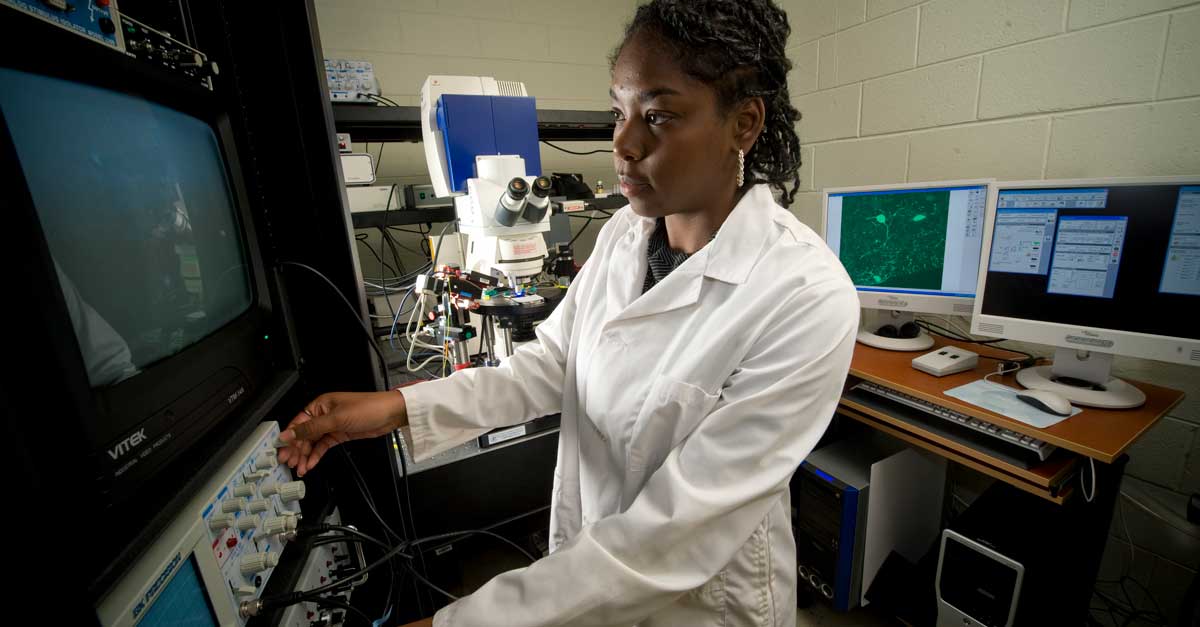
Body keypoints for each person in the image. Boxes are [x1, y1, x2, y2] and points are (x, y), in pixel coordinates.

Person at [279, 1, 859, 624]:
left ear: (744, 123)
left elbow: (671, 536)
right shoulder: (623, 236)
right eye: (620, 111)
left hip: (701, 605)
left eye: (658, 116)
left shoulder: (805, 295)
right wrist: (398, 408)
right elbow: (554, 364)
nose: (623, 144)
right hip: (582, 574)